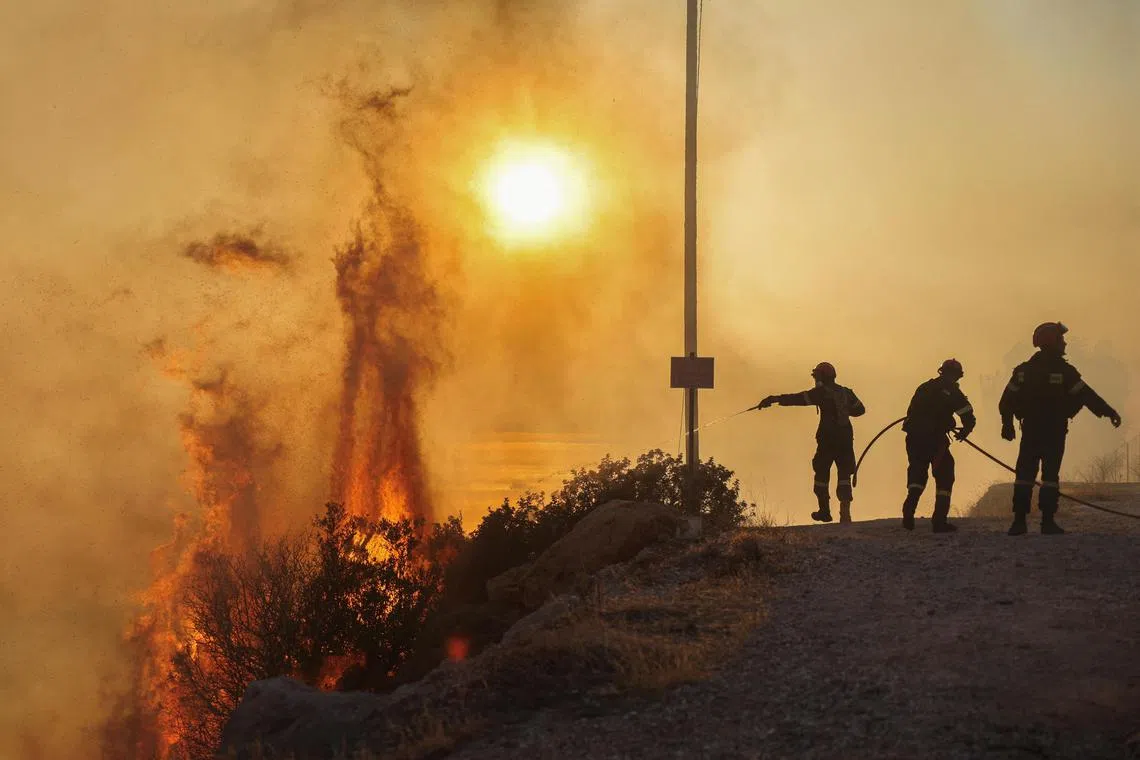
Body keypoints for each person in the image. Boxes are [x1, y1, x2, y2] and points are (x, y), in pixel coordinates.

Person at [999, 322, 1122, 535]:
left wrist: (1007, 425)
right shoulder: (1064, 372)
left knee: (1024, 475)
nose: (1064, 344)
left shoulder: (1023, 371)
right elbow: (1086, 396)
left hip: (1031, 431)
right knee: (1050, 477)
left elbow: (1006, 401)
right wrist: (1109, 412)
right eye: (1061, 339)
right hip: (1054, 432)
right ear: (1052, 342)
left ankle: (1019, 522)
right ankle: (1047, 522)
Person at [759, 362, 866, 523]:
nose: (816, 379)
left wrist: (774, 399)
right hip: (845, 439)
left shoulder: (821, 393)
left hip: (827, 440)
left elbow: (798, 398)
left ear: (822, 377)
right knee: (844, 474)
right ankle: (845, 513)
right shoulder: (846, 393)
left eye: (817, 376)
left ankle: (824, 511)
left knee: (821, 474)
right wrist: (844, 410)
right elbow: (860, 410)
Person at [900, 359, 976, 533]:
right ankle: (939, 521)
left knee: (917, 473)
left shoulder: (924, 387)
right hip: (935, 441)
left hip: (914, 438)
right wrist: (965, 431)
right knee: (945, 475)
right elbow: (967, 415)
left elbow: (911, 412)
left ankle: (908, 511)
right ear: (956, 375)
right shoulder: (953, 391)